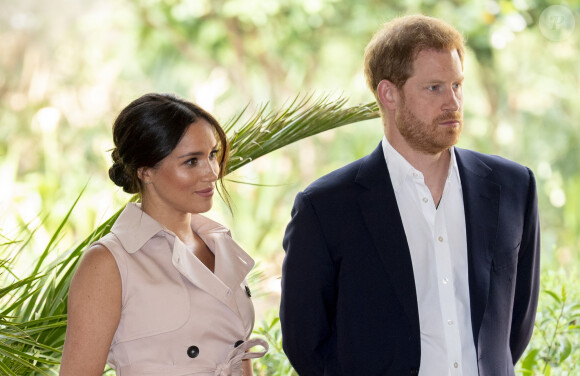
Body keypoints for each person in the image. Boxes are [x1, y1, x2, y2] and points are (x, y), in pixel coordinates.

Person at [280, 15, 540, 376]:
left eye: (457, 86)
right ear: (389, 94)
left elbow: (514, 327)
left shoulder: (514, 187)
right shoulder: (325, 208)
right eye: (434, 88)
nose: (452, 103)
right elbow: (305, 342)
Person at [60, 93, 267, 376]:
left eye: (212, 155)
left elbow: (239, 356)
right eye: (192, 161)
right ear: (146, 171)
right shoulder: (109, 262)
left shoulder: (221, 244)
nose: (211, 173)